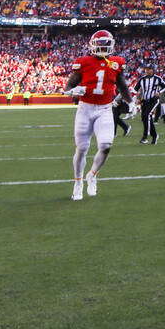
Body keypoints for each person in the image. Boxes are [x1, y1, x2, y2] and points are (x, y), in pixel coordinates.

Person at [63, 30, 134, 201]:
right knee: (81, 149)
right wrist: (73, 91)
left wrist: (130, 102)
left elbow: (122, 86)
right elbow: (67, 88)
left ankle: (92, 175)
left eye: (105, 43)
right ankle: (78, 182)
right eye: (100, 43)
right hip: (85, 108)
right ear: (92, 45)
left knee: (106, 145)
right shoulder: (83, 62)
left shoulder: (116, 62)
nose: (102, 47)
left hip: (104, 109)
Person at [135, 65, 165, 145]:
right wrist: (138, 98)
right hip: (144, 101)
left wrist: (159, 92)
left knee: (147, 115)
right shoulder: (142, 79)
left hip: (153, 100)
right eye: (146, 69)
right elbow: (136, 89)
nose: (147, 71)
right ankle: (155, 135)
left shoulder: (157, 78)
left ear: (152, 70)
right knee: (145, 118)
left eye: (149, 69)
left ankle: (145, 136)